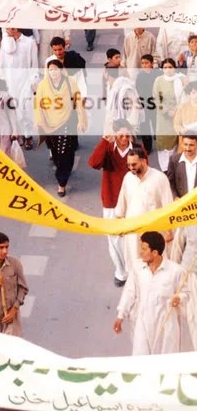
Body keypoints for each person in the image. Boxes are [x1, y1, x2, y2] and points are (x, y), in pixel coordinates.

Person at [114, 231, 189, 355]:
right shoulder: (138, 268)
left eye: (144, 249)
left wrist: (179, 298)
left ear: (154, 252)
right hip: (143, 321)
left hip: (167, 323)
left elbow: (186, 293)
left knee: (166, 359)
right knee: (141, 357)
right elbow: (129, 291)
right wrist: (120, 316)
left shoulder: (176, 271)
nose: (140, 252)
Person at [115, 148, 173, 275]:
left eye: (134, 164)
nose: (131, 168)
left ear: (144, 161)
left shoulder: (160, 178)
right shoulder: (128, 178)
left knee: (156, 268)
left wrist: (169, 231)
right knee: (134, 266)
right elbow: (122, 204)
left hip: (154, 232)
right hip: (133, 232)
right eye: (128, 165)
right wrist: (119, 223)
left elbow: (168, 207)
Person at [88, 121, 132, 287]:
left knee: (131, 238)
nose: (124, 139)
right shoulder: (107, 149)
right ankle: (121, 272)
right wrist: (104, 142)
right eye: (120, 135)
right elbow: (93, 163)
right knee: (114, 240)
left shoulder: (137, 150)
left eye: (127, 135)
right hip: (111, 201)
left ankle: (132, 269)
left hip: (132, 202)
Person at [34, 59, 87, 196]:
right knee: (56, 153)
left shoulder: (70, 82)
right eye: (50, 70)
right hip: (49, 123)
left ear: (61, 70)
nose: (53, 73)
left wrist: (81, 120)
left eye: (56, 69)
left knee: (64, 152)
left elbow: (78, 101)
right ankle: (64, 170)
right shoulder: (43, 85)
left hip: (67, 121)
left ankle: (61, 184)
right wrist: (38, 120)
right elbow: (38, 104)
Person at [167, 134, 197, 199]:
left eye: (191, 145)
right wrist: (175, 196)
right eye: (185, 144)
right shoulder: (174, 160)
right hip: (182, 202)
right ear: (181, 144)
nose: (188, 148)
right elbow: (170, 182)